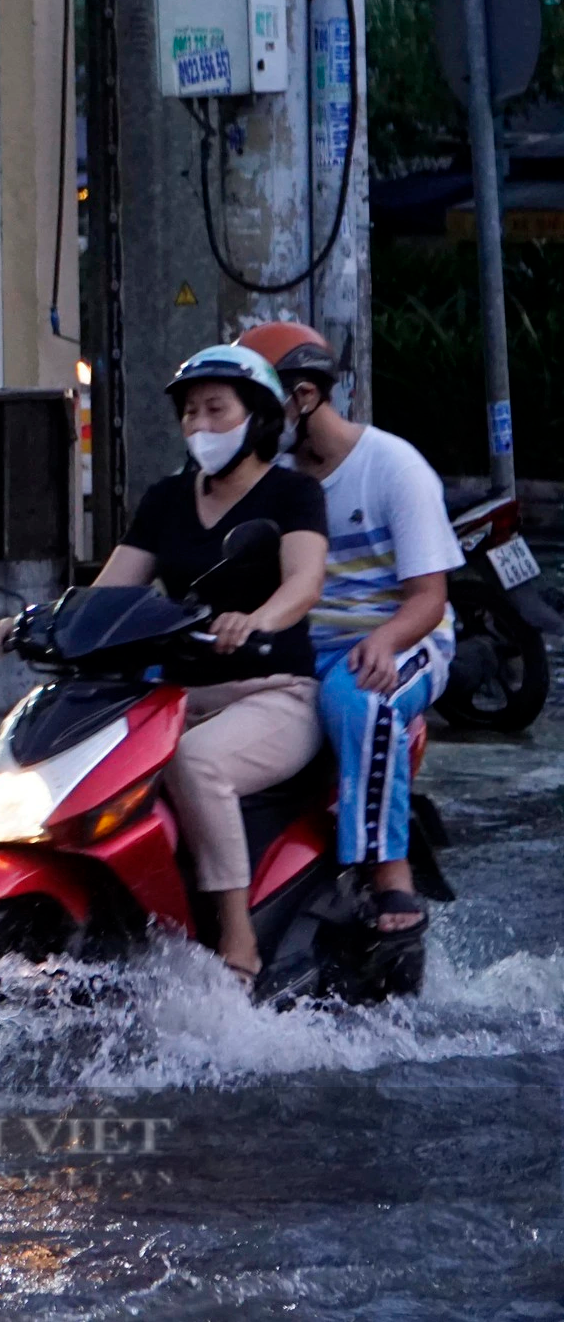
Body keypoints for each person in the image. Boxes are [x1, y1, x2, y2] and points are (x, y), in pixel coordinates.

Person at [0, 345, 329, 989]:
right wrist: (35, 620)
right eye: (190, 413)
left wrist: (257, 619)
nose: (201, 425)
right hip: (178, 695)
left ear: (255, 417)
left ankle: (237, 939)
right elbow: (111, 589)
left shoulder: (293, 494)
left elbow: (304, 583)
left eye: (216, 409)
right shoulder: (167, 499)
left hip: (274, 692)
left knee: (194, 761)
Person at [238, 321, 463, 939]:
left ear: (304, 397)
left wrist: (385, 641)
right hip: (303, 641)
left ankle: (388, 871)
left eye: (258, 404)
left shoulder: (393, 467)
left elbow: (428, 598)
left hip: (405, 636)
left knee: (360, 699)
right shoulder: (271, 477)